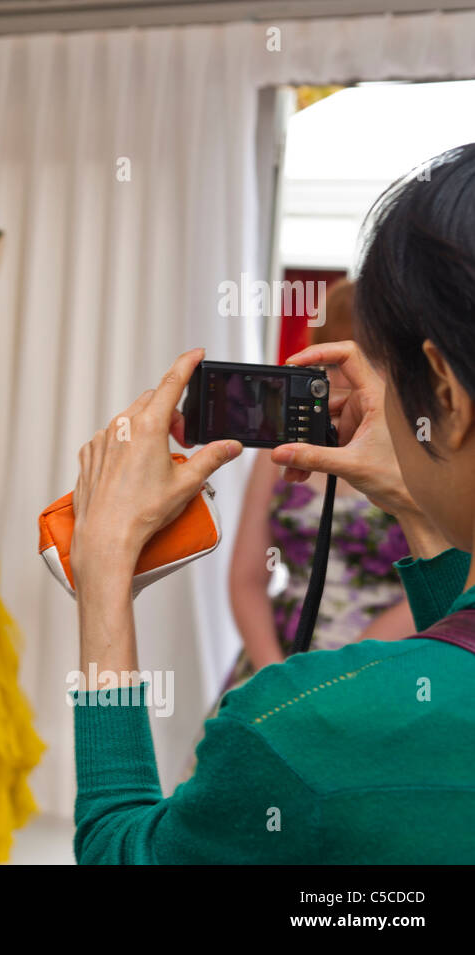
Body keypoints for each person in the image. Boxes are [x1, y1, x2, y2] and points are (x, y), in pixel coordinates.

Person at [68, 145, 475, 863]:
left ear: (441, 387)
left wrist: (103, 569)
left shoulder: (306, 727)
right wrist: (418, 506)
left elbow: (121, 851)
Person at [225, 280, 412, 696]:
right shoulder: (282, 446)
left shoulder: (422, 452)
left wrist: (345, 668)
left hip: (387, 663)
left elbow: (448, 573)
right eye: (328, 364)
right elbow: (246, 578)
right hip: (280, 657)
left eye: (361, 362)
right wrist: (273, 676)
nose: (338, 381)